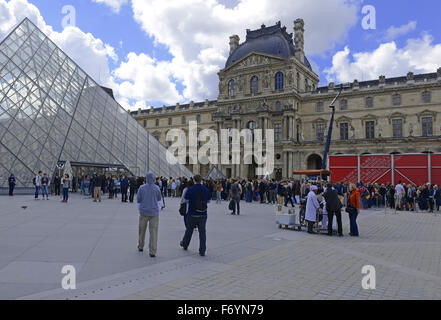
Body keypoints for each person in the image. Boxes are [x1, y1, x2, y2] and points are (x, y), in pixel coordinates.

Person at [180, 175, 211, 256]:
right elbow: (208, 201)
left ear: (194, 180)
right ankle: (202, 250)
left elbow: (186, 199)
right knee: (202, 232)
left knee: (189, 230)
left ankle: (185, 244)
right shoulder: (205, 189)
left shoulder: (190, 189)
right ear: (201, 180)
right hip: (203, 214)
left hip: (192, 213)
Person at [137, 172, 163, 257]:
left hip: (144, 212)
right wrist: (158, 210)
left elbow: (138, 200)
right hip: (154, 213)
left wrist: (141, 209)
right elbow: (159, 201)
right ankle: (152, 251)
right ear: (153, 179)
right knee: (153, 232)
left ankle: (141, 246)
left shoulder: (141, 188)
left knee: (141, 230)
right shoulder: (157, 188)